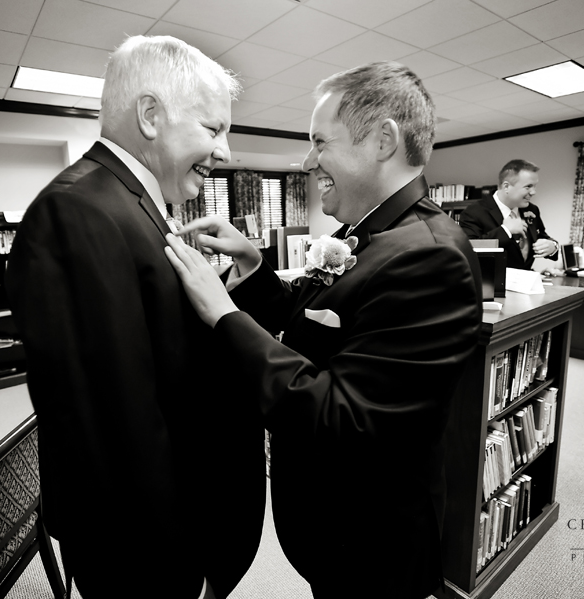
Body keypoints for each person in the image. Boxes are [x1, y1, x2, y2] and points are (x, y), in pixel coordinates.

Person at [165, 61, 482, 598]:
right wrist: (252, 267)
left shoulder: (429, 259)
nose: (309, 162)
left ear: (383, 140)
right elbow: (319, 321)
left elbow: (346, 416)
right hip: (332, 529)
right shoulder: (365, 232)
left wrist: (225, 316)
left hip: (371, 543)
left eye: (319, 143)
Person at [4, 35, 266, 599]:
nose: (225, 151)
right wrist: (173, 567)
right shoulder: (76, 210)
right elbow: (109, 423)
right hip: (145, 550)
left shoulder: (134, 200)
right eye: (214, 128)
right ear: (151, 115)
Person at [459, 159, 559, 270]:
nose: (533, 192)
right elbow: (468, 250)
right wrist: (505, 231)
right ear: (506, 186)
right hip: (491, 284)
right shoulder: (474, 212)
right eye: (528, 186)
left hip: (525, 283)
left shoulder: (532, 210)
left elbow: (542, 237)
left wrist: (552, 247)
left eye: (535, 186)